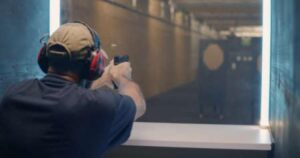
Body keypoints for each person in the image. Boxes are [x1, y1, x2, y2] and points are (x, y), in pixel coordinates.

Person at [0, 22, 146, 158]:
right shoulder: (97, 107)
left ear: (44, 55)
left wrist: (100, 80)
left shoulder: (14, 95)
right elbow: (137, 103)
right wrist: (121, 77)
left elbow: (65, 97)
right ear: (94, 64)